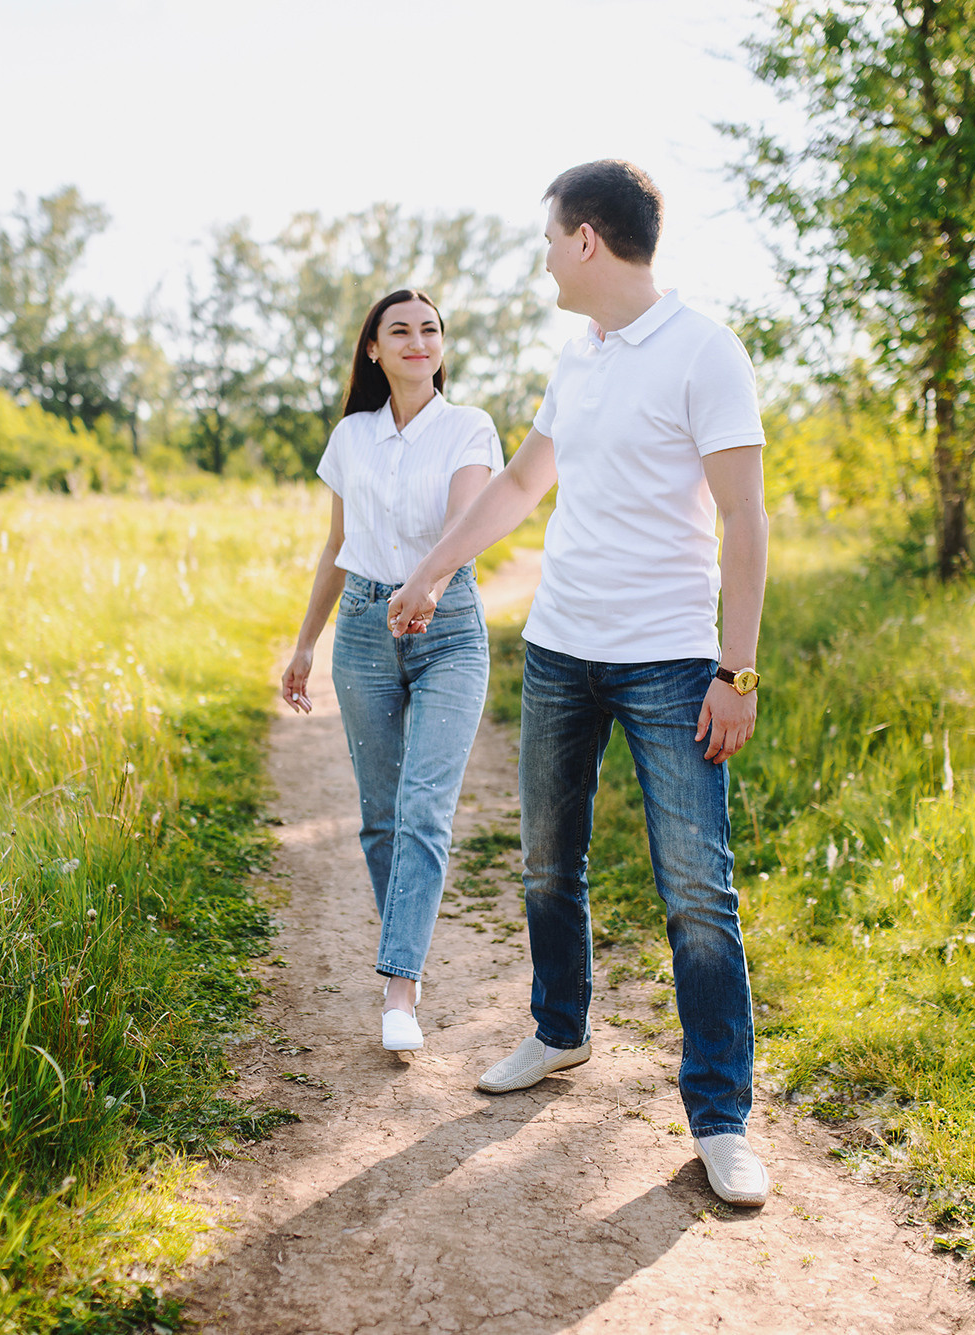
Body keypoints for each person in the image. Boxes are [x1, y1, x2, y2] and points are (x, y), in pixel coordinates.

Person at [385, 162, 773, 1207]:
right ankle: (559, 1031)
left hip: (668, 661)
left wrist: (736, 670)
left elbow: (745, 518)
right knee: (548, 864)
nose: (546, 258)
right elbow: (522, 481)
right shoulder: (580, 354)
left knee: (697, 892)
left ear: (587, 239)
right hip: (560, 650)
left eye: (551, 239)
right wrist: (432, 570)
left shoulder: (704, 350)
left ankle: (721, 1118)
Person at [281, 289, 504, 1053]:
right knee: (380, 815)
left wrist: (429, 585)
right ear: (373, 349)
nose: (418, 340)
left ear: (443, 345)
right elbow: (337, 545)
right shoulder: (352, 436)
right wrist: (305, 644)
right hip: (364, 629)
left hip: (449, 627)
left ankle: (400, 986)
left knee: (424, 806)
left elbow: (467, 522)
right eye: (400, 330)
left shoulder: (469, 427)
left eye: (430, 329)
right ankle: (404, 953)